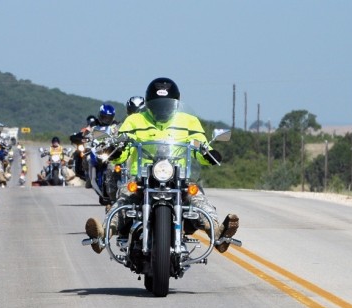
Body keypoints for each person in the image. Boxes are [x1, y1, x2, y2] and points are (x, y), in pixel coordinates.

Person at [84, 77, 239, 254]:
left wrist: (209, 154)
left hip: (179, 176)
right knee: (123, 201)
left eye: (166, 105)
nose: (162, 109)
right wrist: (117, 151)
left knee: (198, 199)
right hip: (141, 176)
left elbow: (198, 145)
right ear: (148, 103)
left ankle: (217, 233)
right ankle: (102, 235)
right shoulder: (134, 121)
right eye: (157, 105)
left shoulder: (189, 122)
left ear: (176, 103)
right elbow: (124, 147)